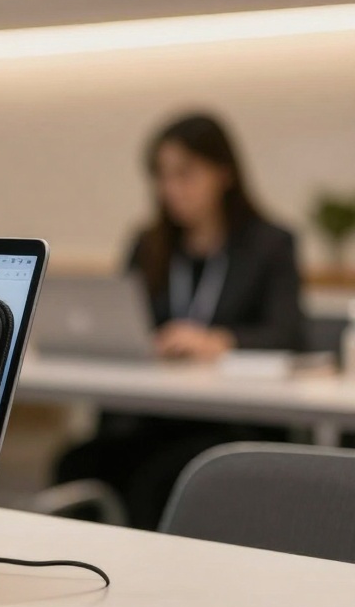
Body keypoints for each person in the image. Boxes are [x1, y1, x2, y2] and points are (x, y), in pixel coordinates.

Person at [54, 113, 304, 530]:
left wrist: (217, 341)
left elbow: (289, 334)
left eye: (184, 174)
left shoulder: (269, 245)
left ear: (223, 173)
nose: (171, 189)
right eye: (161, 176)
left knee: (155, 478)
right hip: (156, 415)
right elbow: (128, 322)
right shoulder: (151, 244)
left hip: (230, 423)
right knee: (77, 461)